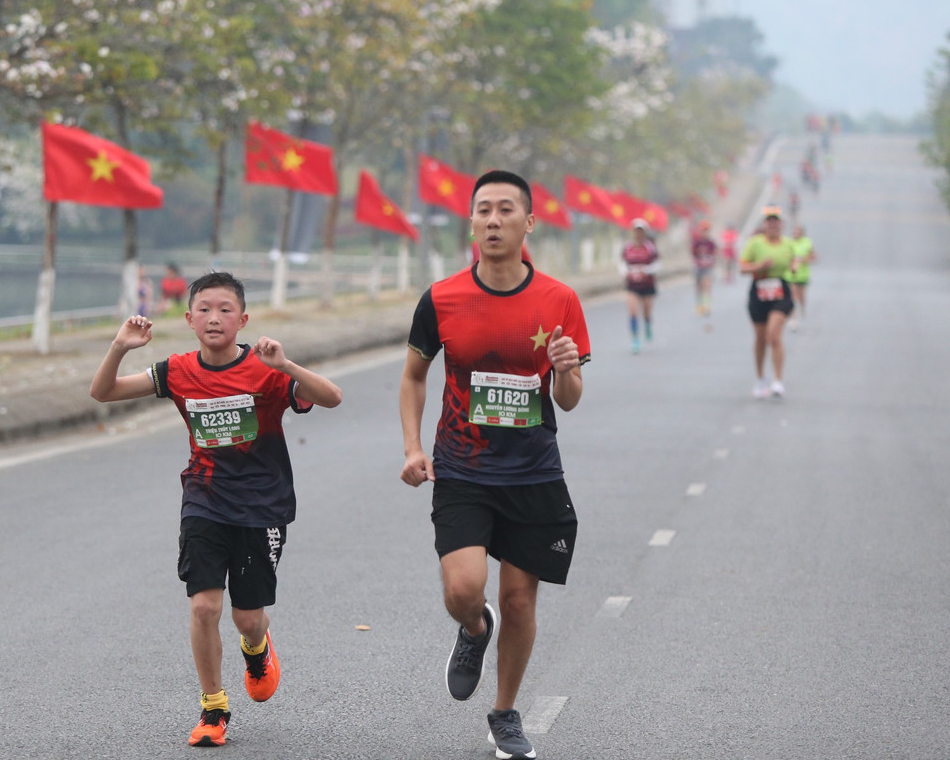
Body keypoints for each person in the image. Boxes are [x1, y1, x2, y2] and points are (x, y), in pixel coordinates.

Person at [89, 271, 343, 748]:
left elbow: (332, 397)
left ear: (242, 319)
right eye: (204, 309)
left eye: (225, 310)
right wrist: (120, 346)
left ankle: (257, 647)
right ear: (188, 319)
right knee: (205, 607)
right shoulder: (177, 370)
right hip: (204, 501)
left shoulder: (267, 370)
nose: (214, 318)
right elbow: (103, 393)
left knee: (248, 618)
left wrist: (287, 365)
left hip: (261, 508)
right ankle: (213, 707)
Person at [399, 170, 590, 760]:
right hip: (461, 469)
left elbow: (569, 398)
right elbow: (413, 375)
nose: (493, 220)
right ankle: (472, 627)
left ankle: (505, 714)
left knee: (520, 601)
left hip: (532, 473)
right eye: (483, 210)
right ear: (472, 221)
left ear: (529, 222)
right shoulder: (441, 298)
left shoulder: (559, 300)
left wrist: (564, 367)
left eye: (506, 210)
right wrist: (412, 448)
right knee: (463, 590)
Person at [739, 206, 797, 399]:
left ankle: (778, 380)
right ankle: (760, 377)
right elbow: (742, 267)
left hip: (780, 291)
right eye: (769, 222)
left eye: (776, 222)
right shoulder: (755, 244)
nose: (772, 225)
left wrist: (795, 266)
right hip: (759, 290)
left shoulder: (788, 244)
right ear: (764, 225)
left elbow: (794, 261)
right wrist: (759, 265)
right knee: (761, 338)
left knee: (773, 335)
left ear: (781, 225)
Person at [619, 218, 659, 353]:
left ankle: (647, 323)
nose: (639, 234)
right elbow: (622, 263)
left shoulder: (650, 247)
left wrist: (646, 270)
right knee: (633, 312)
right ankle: (635, 339)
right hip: (632, 285)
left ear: (644, 233)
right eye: (636, 231)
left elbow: (657, 265)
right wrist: (626, 272)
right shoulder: (628, 247)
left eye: (641, 231)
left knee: (646, 312)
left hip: (647, 285)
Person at [784, 224, 816, 330]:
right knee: (792, 296)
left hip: (802, 274)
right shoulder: (788, 243)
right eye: (795, 231)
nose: (796, 233)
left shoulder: (807, 243)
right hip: (791, 274)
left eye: (798, 231)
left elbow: (814, 257)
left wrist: (804, 259)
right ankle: (793, 318)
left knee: (801, 296)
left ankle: (802, 306)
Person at [690, 220, 718, 319]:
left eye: (706, 230)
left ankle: (707, 306)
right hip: (698, 267)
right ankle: (699, 306)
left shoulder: (711, 243)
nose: (704, 232)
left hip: (708, 268)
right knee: (699, 287)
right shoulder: (696, 243)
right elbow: (693, 254)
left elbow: (715, 253)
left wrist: (712, 261)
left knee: (707, 285)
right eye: (703, 230)